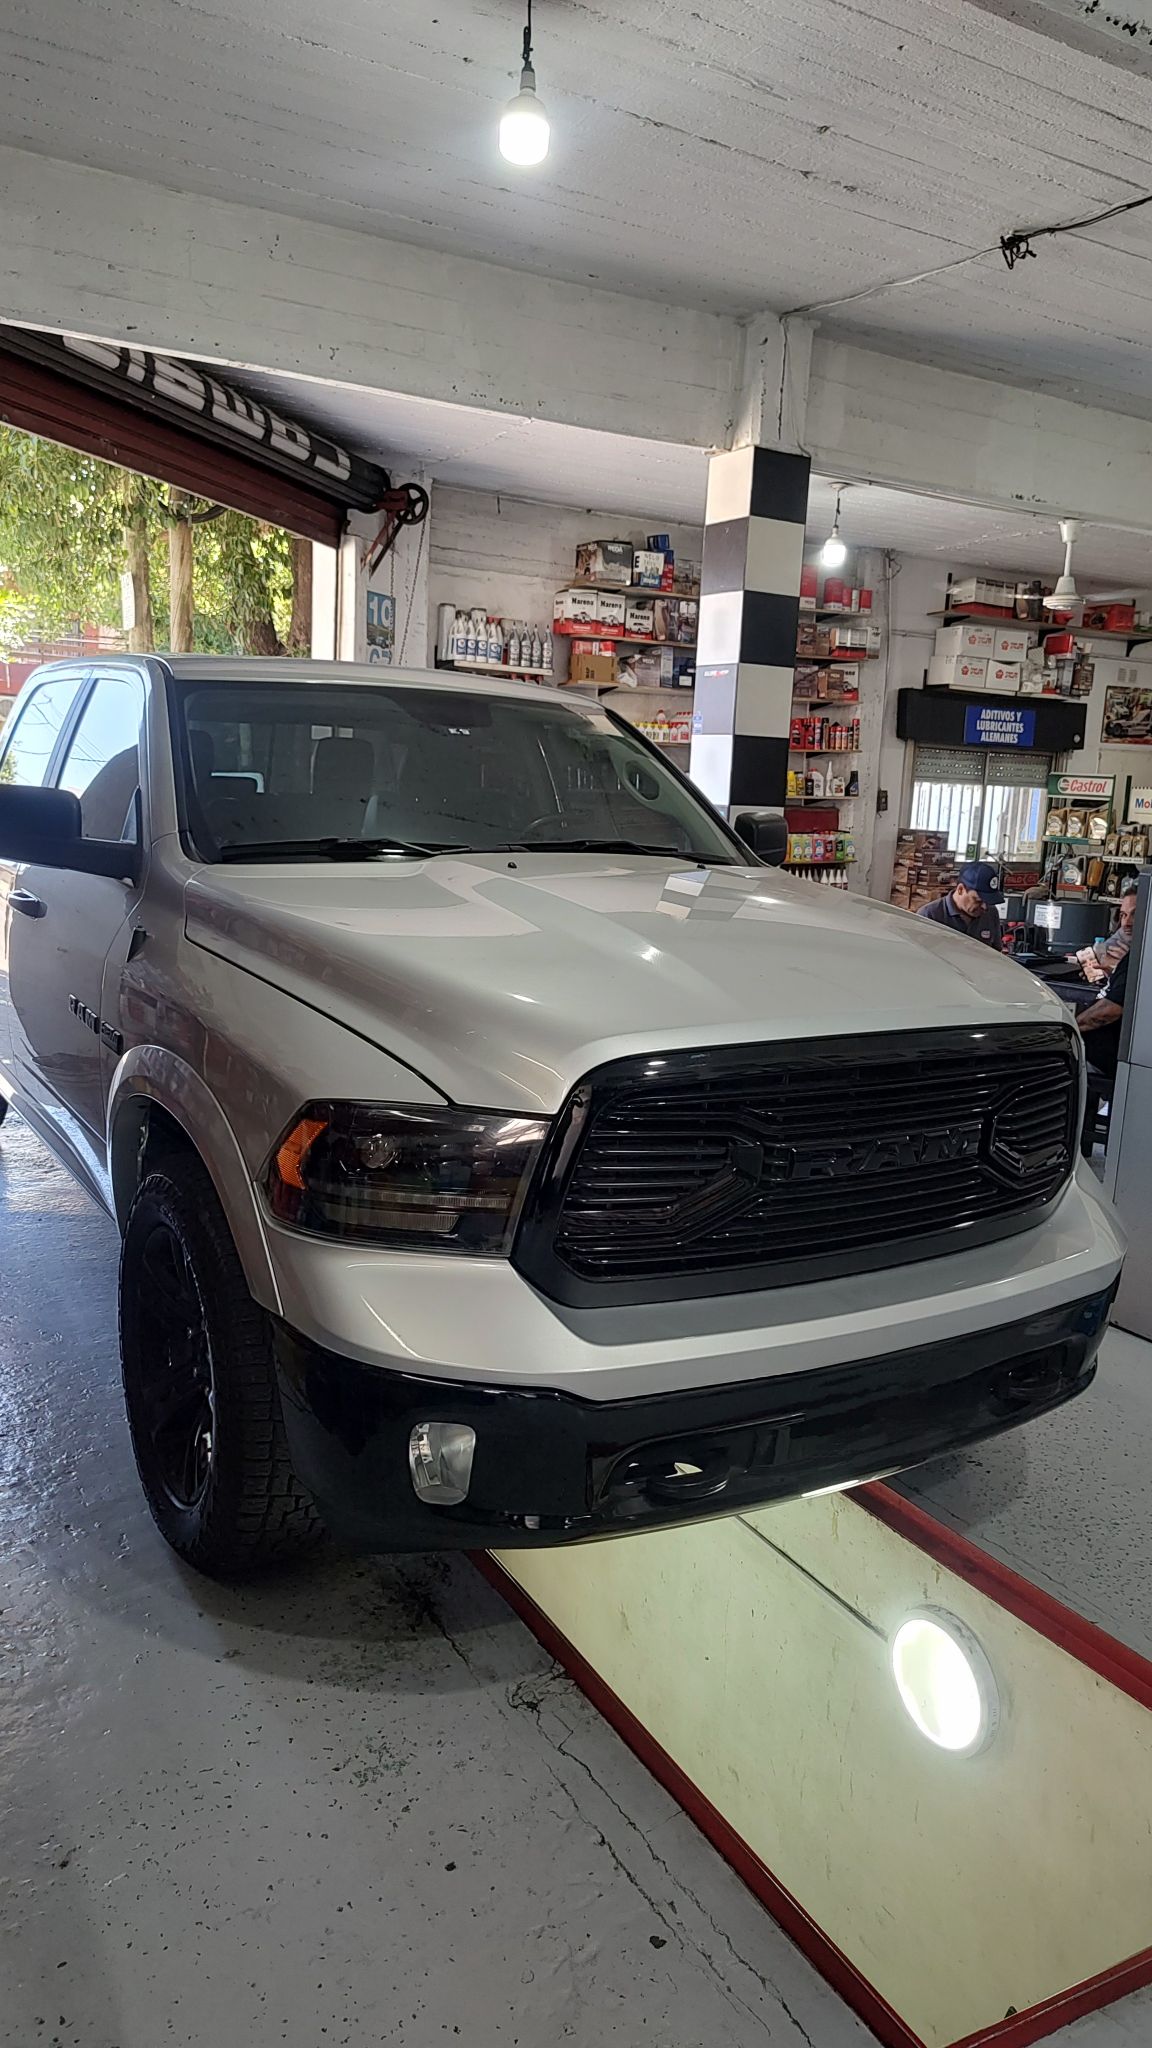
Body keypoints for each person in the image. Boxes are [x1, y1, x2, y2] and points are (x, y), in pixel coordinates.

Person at [917, 861, 1004, 950]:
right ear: (960, 889)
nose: (984, 907)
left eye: (988, 901)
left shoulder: (991, 913)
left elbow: (996, 953)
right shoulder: (929, 915)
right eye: (978, 900)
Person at [1067, 882, 1137, 987]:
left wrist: (1127, 967)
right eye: (1123, 915)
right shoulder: (1123, 936)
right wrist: (1105, 973)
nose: (1126, 923)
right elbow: (1101, 958)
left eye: (1135, 914)